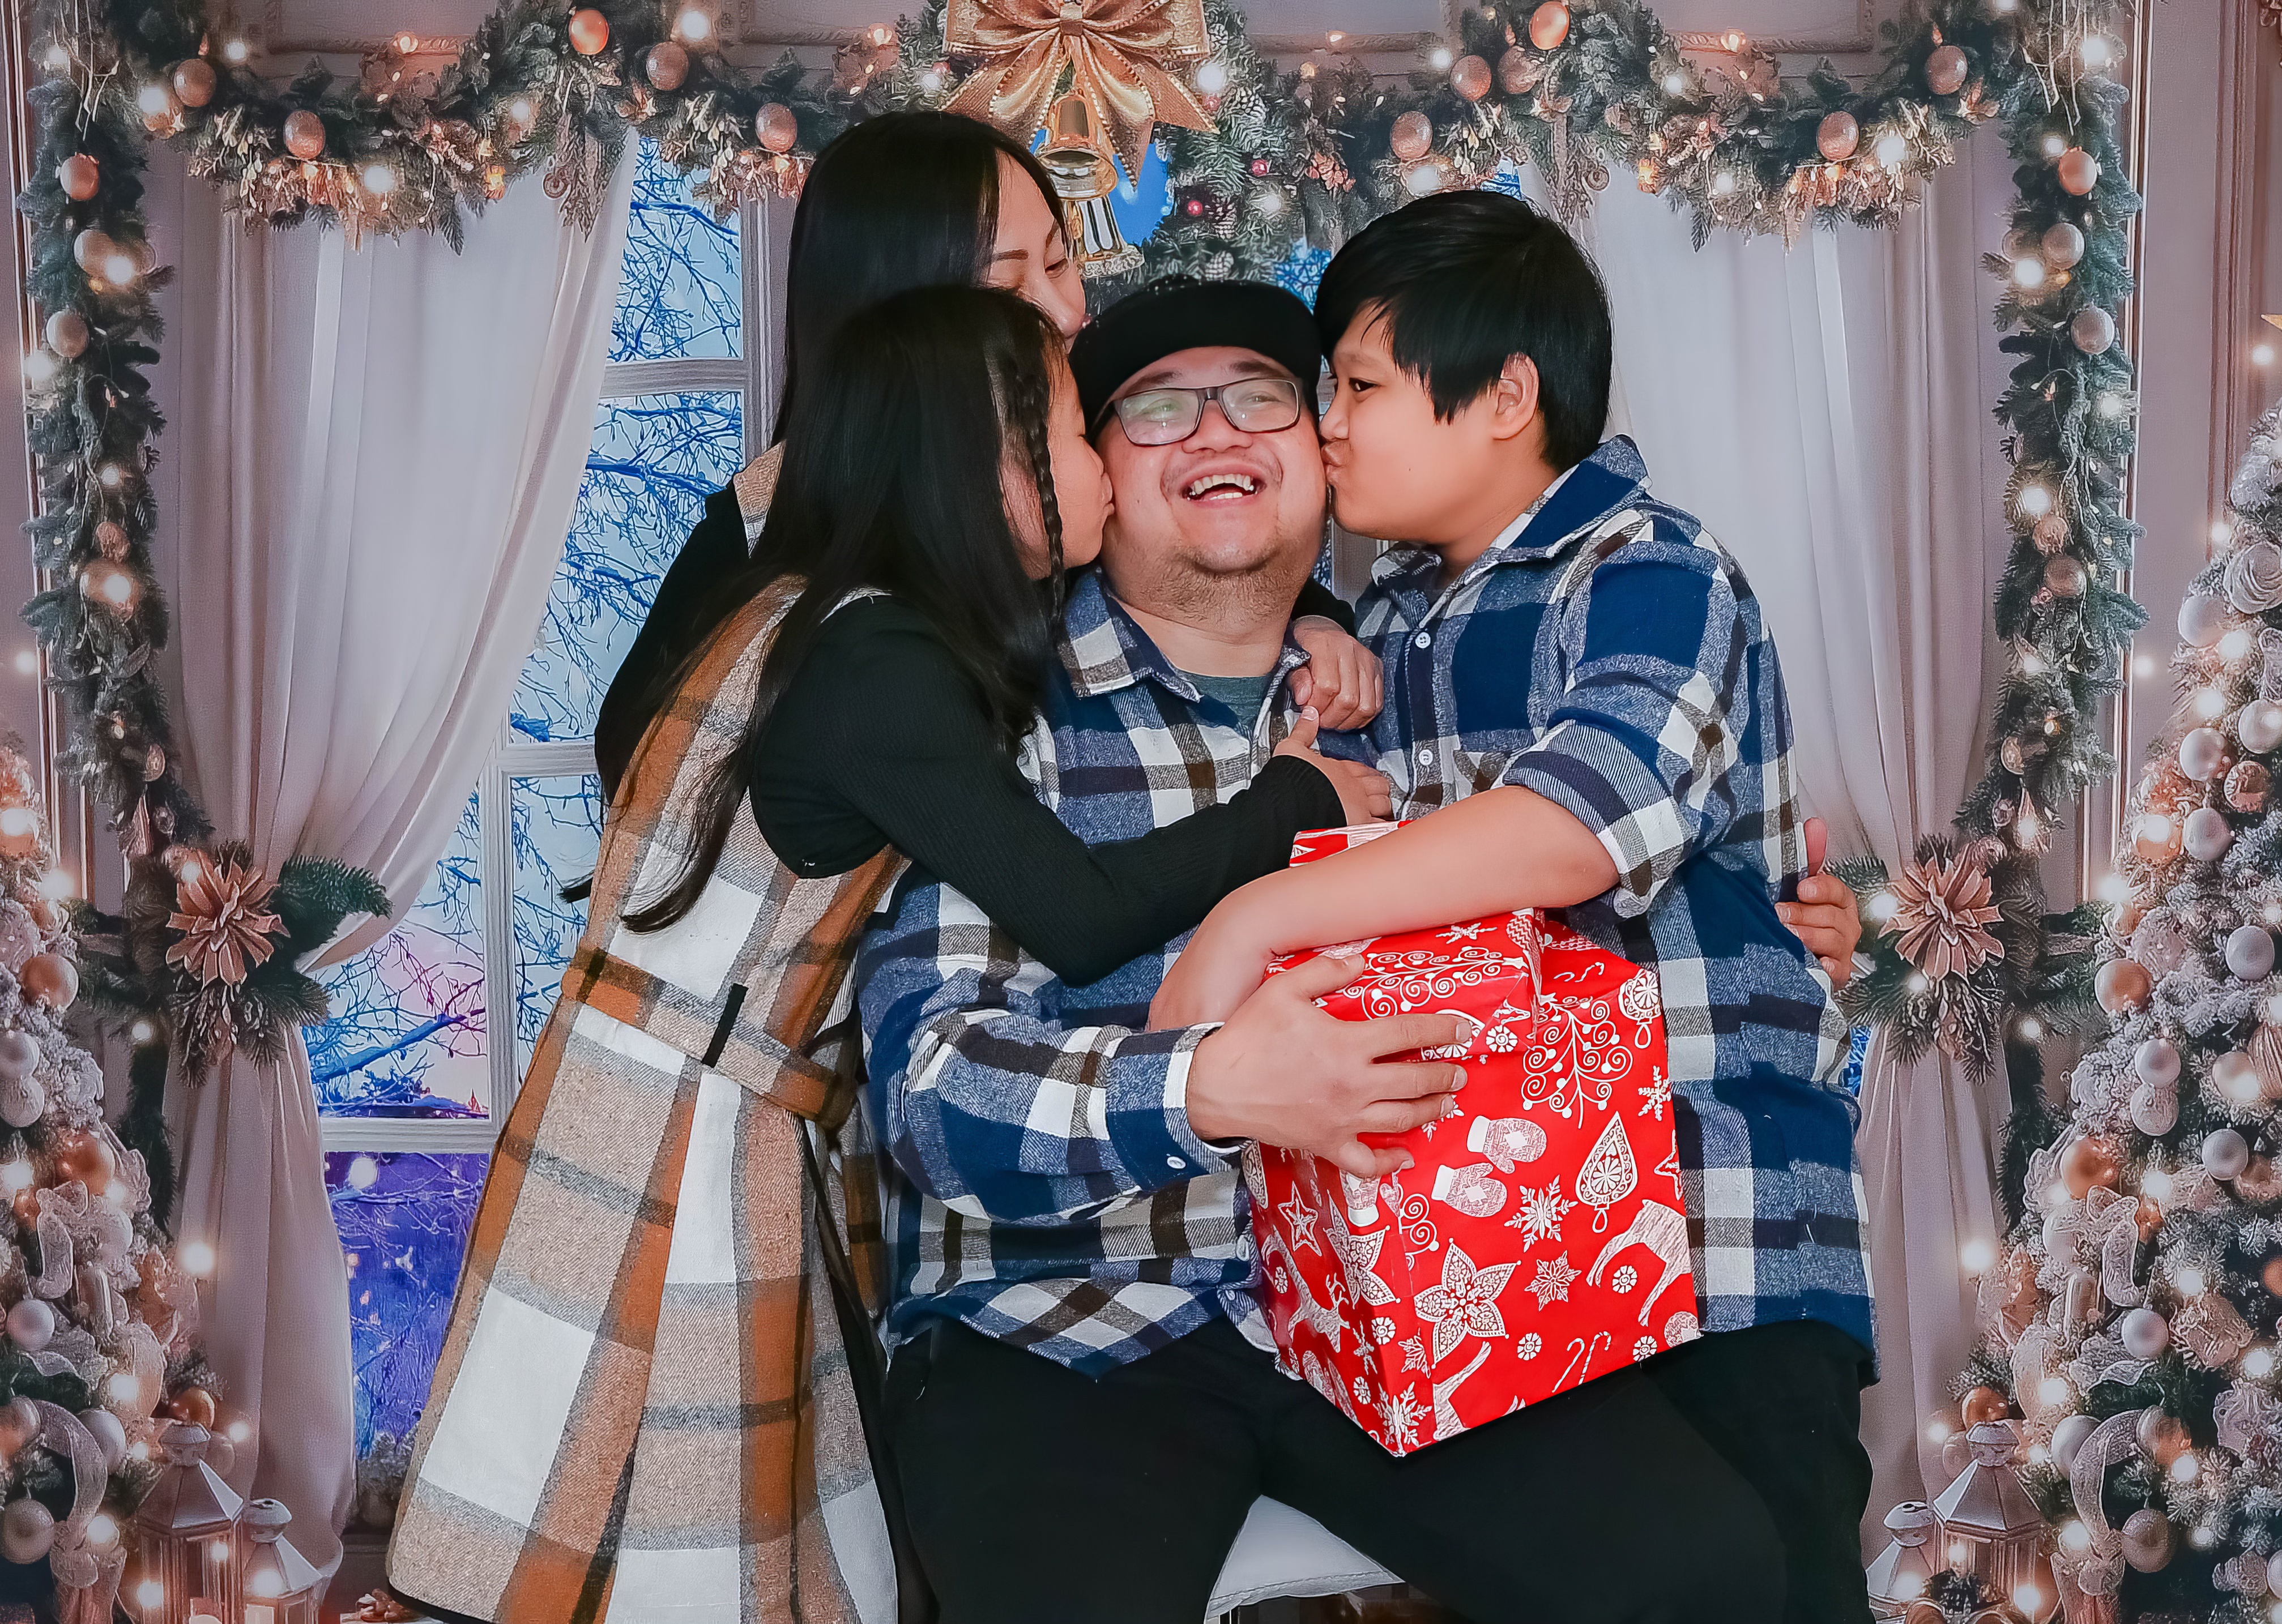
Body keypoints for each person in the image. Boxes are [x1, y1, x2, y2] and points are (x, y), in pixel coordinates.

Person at [851, 275, 1866, 1624]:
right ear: (1088, 473)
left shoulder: (1400, 700)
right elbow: (926, 1094)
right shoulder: (991, 714)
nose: (1217, 430)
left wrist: (1779, 921)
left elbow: (1592, 837)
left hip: (1393, 1311)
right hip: (1064, 1323)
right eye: (1155, 408)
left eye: (1263, 396)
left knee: (1709, 1571)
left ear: (1321, 459)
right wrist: (1205, 1087)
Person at [386, 287, 1385, 1624]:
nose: (1101, 467)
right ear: (989, 468)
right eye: (1076, 436)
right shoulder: (882, 663)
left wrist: (1308, 609)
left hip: (719, 1090)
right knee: (660, 1536)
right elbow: (1082, 912)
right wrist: (1293, 802)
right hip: (686, 1122)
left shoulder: (822, 616)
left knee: (658, 1522)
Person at [1152, 194, 1875, 1623]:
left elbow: (1575, 826)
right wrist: (1321, 640)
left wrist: (1255, 920)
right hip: (1510, 1240)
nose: (1329, 429)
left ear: (1504, 397)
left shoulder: (1652, 570)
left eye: (1360, 387)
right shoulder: (1398, 616)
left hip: (1714, 1221)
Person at [594, 110, 1377, 798]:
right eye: (1009, 290)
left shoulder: (1056, 461)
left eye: (1061, 262)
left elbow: (1184, 560)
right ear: (905, 326)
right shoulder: (768, 537)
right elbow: (644, 774)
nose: (1067, 314)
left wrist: (1311, 622)